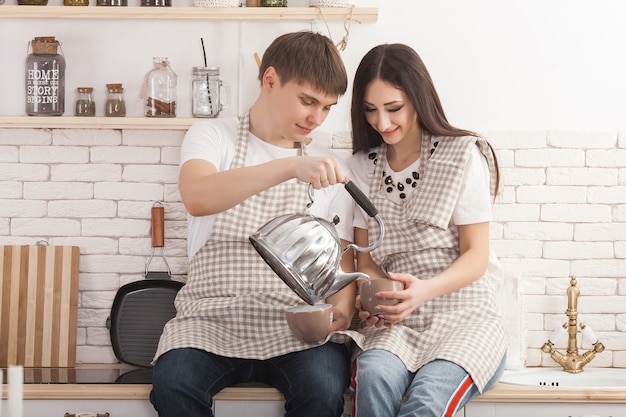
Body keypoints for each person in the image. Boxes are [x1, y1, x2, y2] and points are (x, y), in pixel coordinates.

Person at [150, 31, 358, 417]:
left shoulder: (330, 166)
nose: (316, 118)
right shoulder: (214, 135)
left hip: (294, 326)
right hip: (209, 320)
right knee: (173, 384)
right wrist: (291, 166)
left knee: (324, 391)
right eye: (308, 101)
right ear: (270, 80)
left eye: (327, 108)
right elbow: (198, 196)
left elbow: (341, 259)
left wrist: (340, 310)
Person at [347, 43, 508, 417]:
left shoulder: (463, 154)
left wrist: (424, 291)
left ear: (418, 98)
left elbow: (476, 254)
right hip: (397, 323)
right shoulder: (360, 167)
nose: (382, 123)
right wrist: (376, 298)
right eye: (370, 110)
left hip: (466, 318)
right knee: (372, 379)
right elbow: (365, 261)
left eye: (393, 108)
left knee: (425, 402)